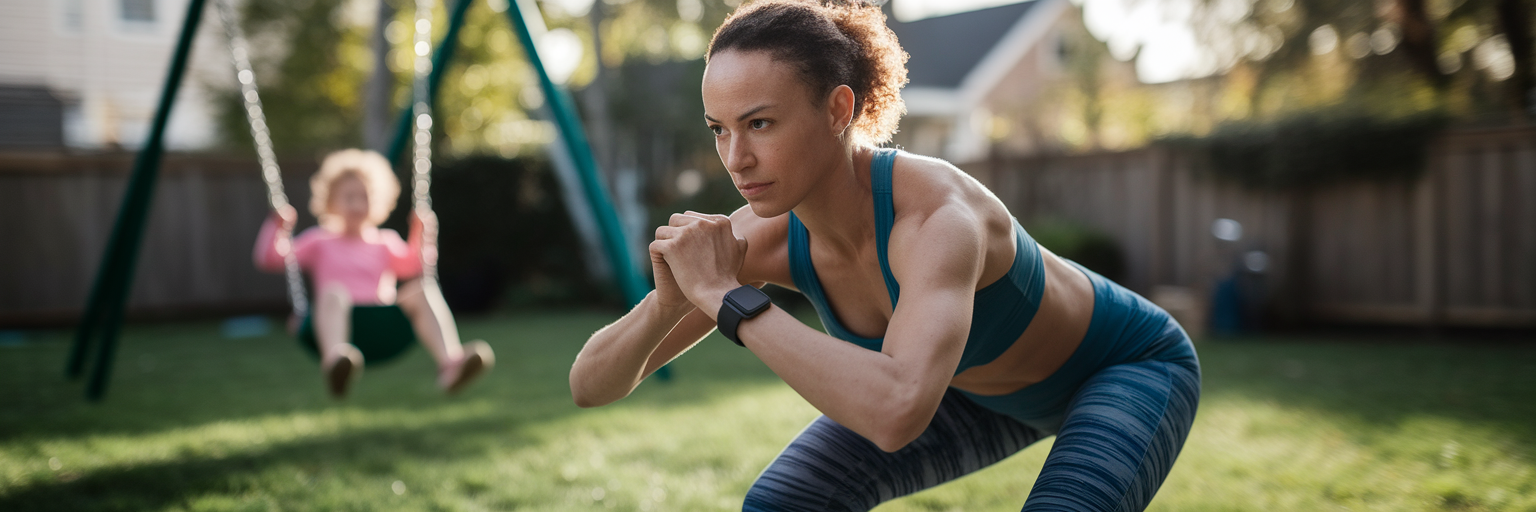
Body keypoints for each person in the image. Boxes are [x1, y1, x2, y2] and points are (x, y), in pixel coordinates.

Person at [568, 1, 1200, 510]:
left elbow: (896, 413)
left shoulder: (937, 219)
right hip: (969, 390)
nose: (735, 159)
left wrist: (726, 300)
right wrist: (671, 303)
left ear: (839, 109)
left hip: (1126, 370)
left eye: (760, 124)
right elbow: (590, 385)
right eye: (719, 129)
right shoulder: (755, 238)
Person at [255, 149, 493, 398]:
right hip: (339, 323)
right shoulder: (319, 241)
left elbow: (415, 265)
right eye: (349, 197)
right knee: (334, 293)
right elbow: (271, 259)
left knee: (422, 289)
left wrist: (421, 235)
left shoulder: (385, 242)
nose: (357, 204)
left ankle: (451, 363)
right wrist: (277, 226)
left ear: (378, 201)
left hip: (383, 322)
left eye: (364, 197)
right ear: (330, 201)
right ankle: (336, 362)